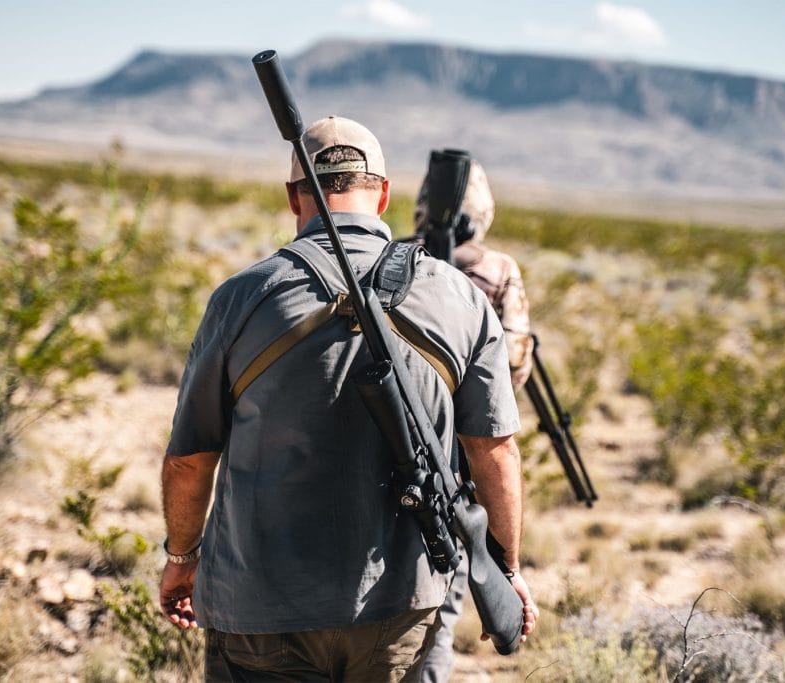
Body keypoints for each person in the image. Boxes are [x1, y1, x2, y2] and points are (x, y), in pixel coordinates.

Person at [159, 116, 537, 682]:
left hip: (258, 607)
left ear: (294, 198)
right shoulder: (460, 298)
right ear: (383, 195)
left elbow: (190, 460)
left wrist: (182, 559)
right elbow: (495, 451)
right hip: (397, 610)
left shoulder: (240, 298)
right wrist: (506, 567)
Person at [413, 158, 535, 683]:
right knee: (442, 607)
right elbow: (514, 370)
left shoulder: (395, 260)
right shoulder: (497, 271)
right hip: (463, 466)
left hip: (400, 448)